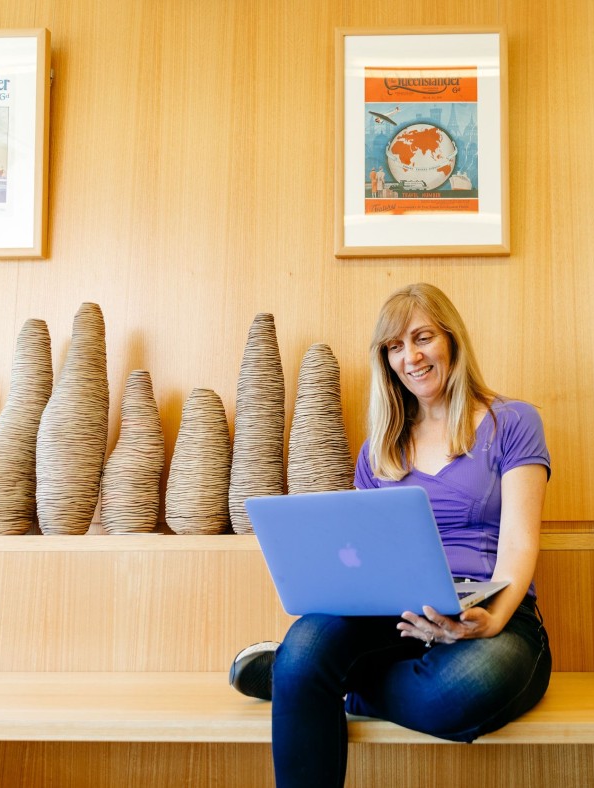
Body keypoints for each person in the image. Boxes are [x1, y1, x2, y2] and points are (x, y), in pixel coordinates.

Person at [230, 282, 552, 787]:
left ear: (452, 340)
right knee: (305, 642)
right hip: (394, 614)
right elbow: (365, 560)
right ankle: (301, 671)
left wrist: (488, 622)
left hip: (496, 610)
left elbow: (518, 544)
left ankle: (309, 681)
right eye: (395, 347)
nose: (412, 357)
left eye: (423, 338)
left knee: (459, 692)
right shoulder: (378, 451)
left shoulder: (513, 422)